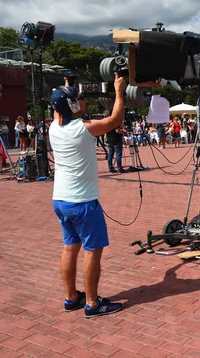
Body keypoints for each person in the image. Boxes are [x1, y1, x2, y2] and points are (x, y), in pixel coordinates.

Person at [49, 74, 125, 318]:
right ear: (72, 106)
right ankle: (92, 303)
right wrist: (119, 91)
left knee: (70, 248)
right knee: (92, 250)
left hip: (60, 199)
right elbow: (116, 119)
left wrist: (67, 89)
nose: (83, 102)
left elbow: (59, 108)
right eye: (79, 99)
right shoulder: (84, 130)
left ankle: (71, 297)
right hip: (82, 202)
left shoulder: (54, 127)